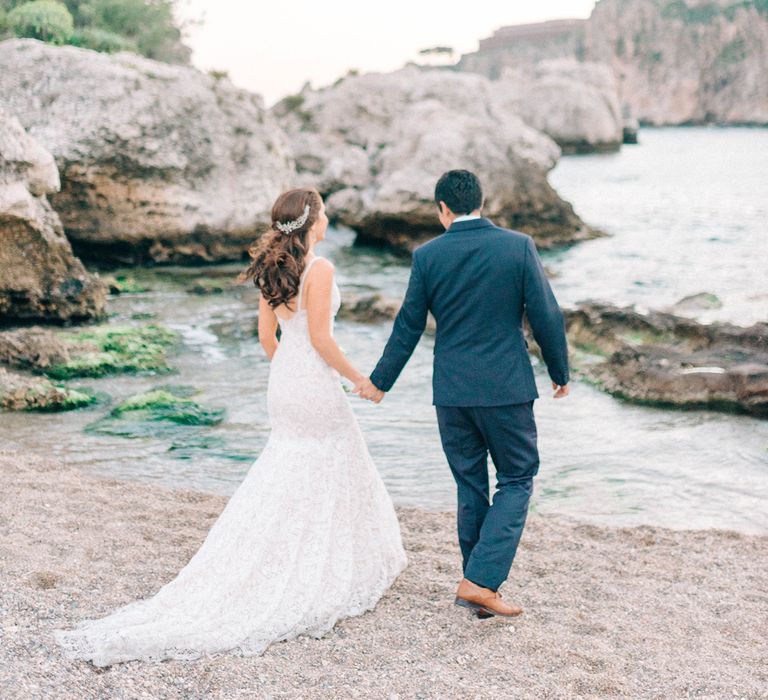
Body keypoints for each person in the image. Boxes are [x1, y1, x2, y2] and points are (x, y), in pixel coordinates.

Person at [55, 187, 406, 666]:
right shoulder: (320, 269)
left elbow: (269, 336)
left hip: (283, 381)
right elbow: (322, 339)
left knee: (288, 462)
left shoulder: (272, 267)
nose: (328, 218)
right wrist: (362, 380)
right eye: (324, 212)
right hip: (312, 382)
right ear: (312, 222)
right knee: (331, 457)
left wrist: (291, 371)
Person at [358, 169, 570, 619]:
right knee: (517, 478)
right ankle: (480, 582)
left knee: (470, 485)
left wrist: (380, 381)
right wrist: (559, 370)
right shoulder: (518, 246)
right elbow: (546, 314)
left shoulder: (428, 256)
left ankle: (477, 589)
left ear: (442, 209)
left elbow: (408, 325)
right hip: (507, 388)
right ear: (482, 202)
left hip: (451, 392)